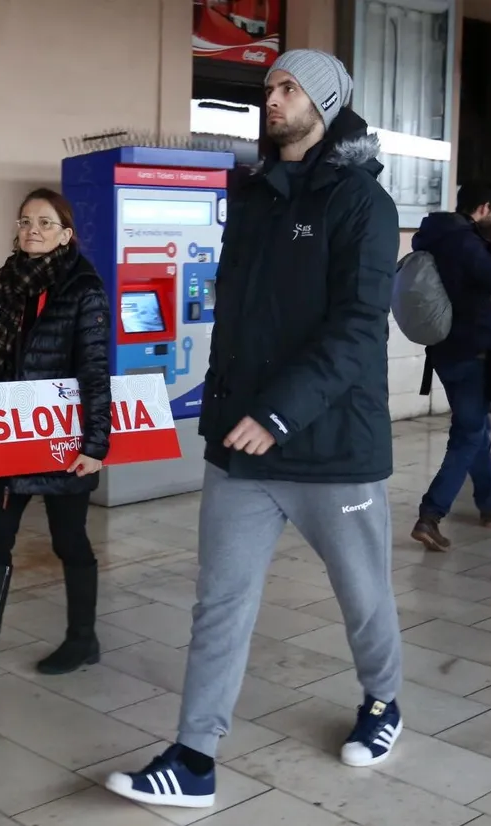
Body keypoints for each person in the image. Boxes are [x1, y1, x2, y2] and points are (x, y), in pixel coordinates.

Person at [105, 50, 404, 809]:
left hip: (332, 447)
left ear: (324, 104)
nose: (271, 99)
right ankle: (194, 758)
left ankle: (383, 700)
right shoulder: (253, 195)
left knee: (363, 595)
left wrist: (278, 413)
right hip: (243, 448)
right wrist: (226, 410)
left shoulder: (363, 203)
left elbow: (358, 328)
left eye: (288, 88)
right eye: (269, 86)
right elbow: (237, 320)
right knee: (220, 602)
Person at [0, 188, 112, 681]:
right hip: (14, 431)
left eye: (45, 222)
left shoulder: (84, 289)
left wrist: (95, 445)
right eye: (25, 221)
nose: (33, 230)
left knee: (69, 540)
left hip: (62, 436)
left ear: (66, 234)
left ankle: (83, 639)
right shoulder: (9, 279)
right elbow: (13, 343)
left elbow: (95, 369)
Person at [410, 182, 491, 552]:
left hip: (444, 349)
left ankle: (490, 502)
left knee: (476, 427)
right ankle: (430, 515)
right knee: (468, 433)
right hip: (470, 350)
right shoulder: (463, 243)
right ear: (483, 208)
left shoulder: (435, 236)